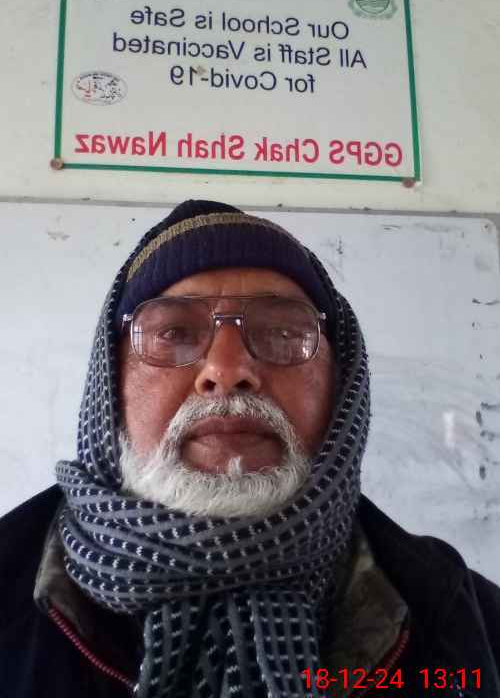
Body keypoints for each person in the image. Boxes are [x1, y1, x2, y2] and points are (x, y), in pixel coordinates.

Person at [1, 199, 499, 698]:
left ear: (341, 386)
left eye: (283, 332)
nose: (226, 369)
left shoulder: (466, 625)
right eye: (174, 333)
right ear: (110, 383)